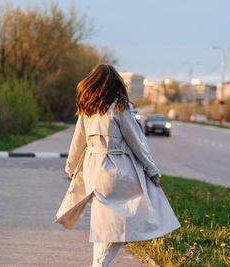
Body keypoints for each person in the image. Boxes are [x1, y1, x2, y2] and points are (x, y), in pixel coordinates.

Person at [54, 64, 180, 267]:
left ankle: (98, 263)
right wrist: (152, 169)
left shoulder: (87, 109)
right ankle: (99, 264)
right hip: (116, 170)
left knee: (103, 225)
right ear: (115, 84)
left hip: (93, 169)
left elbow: (78, 141)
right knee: (124, 222)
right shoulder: (119, 108)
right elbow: (137, 143)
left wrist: (71, 168)